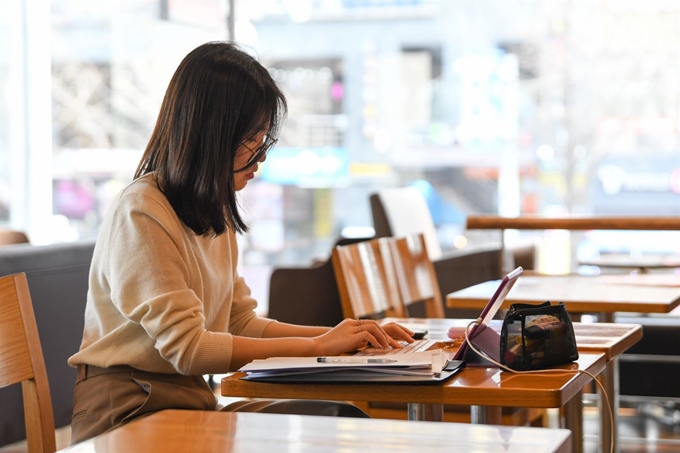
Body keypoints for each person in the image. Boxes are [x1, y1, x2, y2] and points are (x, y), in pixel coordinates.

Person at [68, 41, 415, 443]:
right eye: (253, 139)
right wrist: (321, 345)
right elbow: (190, 350)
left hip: (186, 401)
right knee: (326, 426)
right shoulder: (142, 211)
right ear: (213, 135)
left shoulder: (209, 211)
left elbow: (239, 321)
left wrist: (340, 340)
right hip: (127, 409)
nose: (260, 157)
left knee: (339, 418)